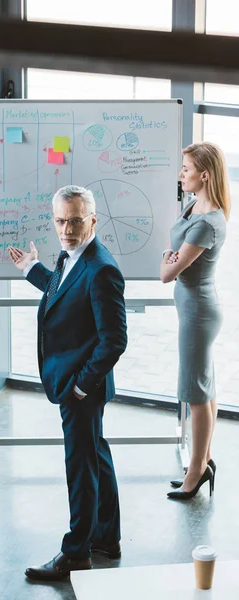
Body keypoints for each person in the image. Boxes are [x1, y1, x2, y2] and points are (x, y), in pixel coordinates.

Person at [8, 185, 127, 580]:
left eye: (75, 221)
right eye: (60, 221)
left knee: (80, 467)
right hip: (79, 383)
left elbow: (115, 340)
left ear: (92, 220)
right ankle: (106, 537)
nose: (67, 229)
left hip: (82, 387)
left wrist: (80, 386)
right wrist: (32, 269)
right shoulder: (72, 257)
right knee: (95, 456)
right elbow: (64, 294)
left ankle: (76, 552)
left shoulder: (101, 267)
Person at [160, 141, 230, 500]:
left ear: (204, 175)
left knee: (195, 393)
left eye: (186, 169)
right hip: (195, 308)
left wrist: (165, 259)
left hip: (198, 312)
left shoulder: (207, 223)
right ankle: (202, 460)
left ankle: (197, 472)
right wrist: (170, 258)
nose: (181, 174)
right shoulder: (194, 207)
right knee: (205, 388)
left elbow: (168, 273)